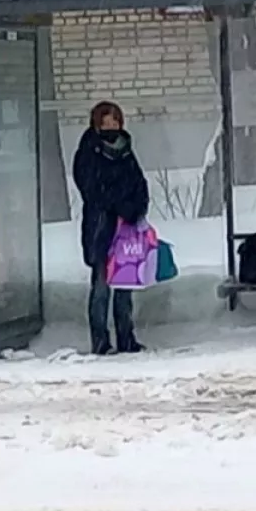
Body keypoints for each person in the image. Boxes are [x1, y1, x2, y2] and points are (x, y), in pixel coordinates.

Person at [72, 101, 151, 356]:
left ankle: (126, 338)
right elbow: (92, 189)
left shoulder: (127, 151)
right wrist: (119, 203)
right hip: (100, 228)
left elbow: (139, 184)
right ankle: (100, 341)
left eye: (115, 122)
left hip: (125, 229)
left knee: (124, 288)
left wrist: (135, 208)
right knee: (101, 287)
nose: (111, 127)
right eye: (106, 122)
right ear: (96, 124)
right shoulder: (89, 151)